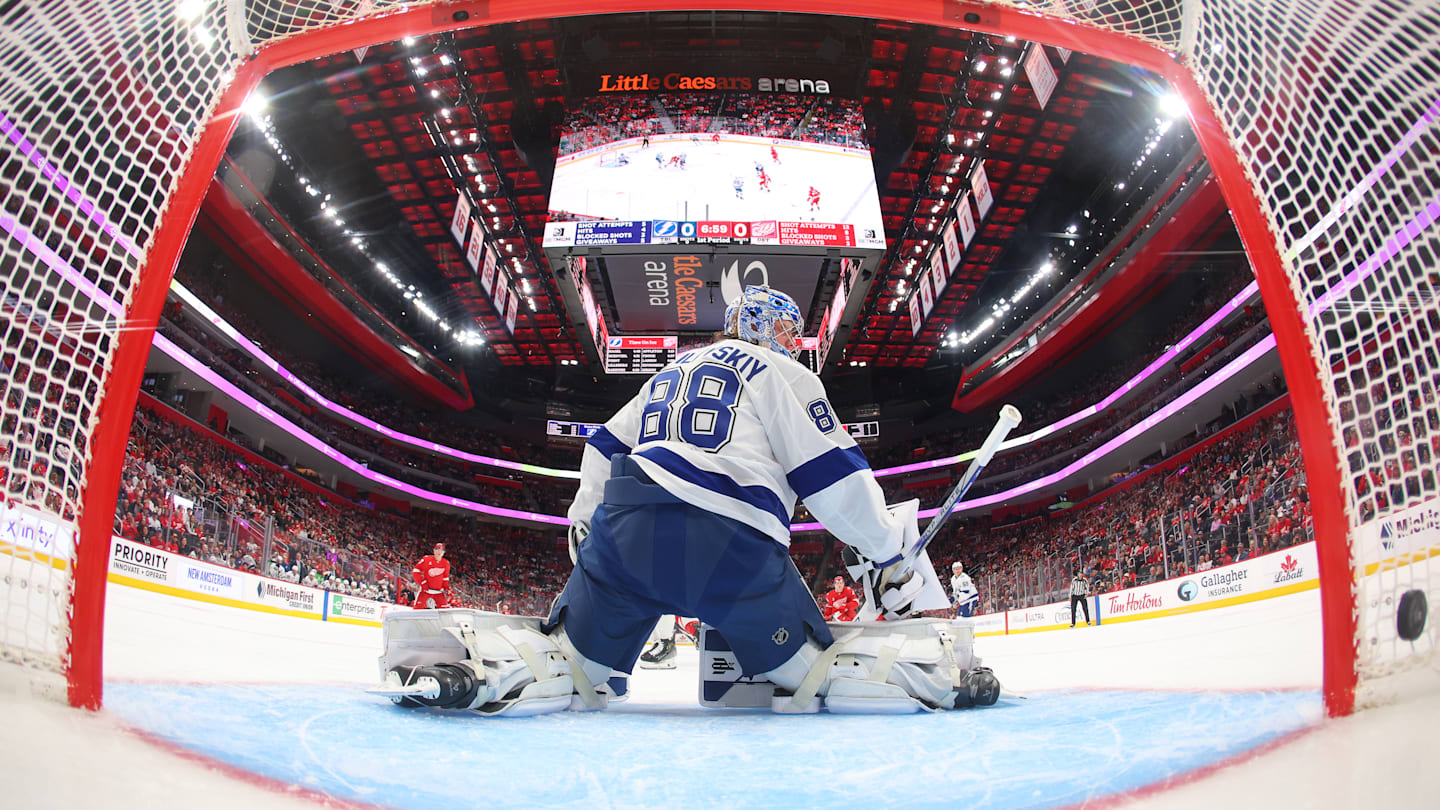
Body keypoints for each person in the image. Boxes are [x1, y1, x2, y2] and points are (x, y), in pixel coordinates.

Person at [376, 286, 998, 716]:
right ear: (759, 327)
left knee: (573, 671)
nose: (793, 340)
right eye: (784, 328)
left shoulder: (669, 370)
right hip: (730, 548)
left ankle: (476, 675)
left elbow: (602, 444)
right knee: (811, 676)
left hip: (625, 536)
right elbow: (833, 481)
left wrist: (585, 521)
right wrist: (890, 551)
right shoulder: (784, 374)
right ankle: (937, 681)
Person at [412, 542, 452, 609]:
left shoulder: (446, 563)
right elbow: (415, 571)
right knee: (418, 608)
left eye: (441, 550)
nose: (439, 551)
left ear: (444, 552)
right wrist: (422, 582)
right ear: (433, 550)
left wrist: (446, 588)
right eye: (437, 549)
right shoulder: (426, 559)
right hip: (426, 590)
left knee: (444, 609)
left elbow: (445, 578)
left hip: (439, 591)